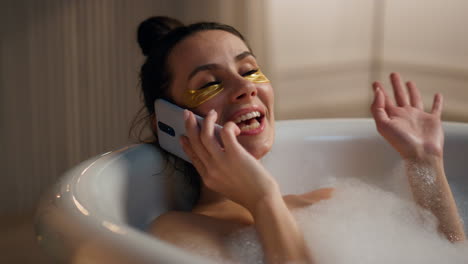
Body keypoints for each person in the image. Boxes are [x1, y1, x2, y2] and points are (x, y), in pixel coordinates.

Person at [132, 16, 465, 264]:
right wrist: (262, 198)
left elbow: (448, 255)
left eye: (249, 71)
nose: (246, 87)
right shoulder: (180, 233)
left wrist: (425, 162)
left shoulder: (328, 203)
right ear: (168, 125)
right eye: (208, 82)